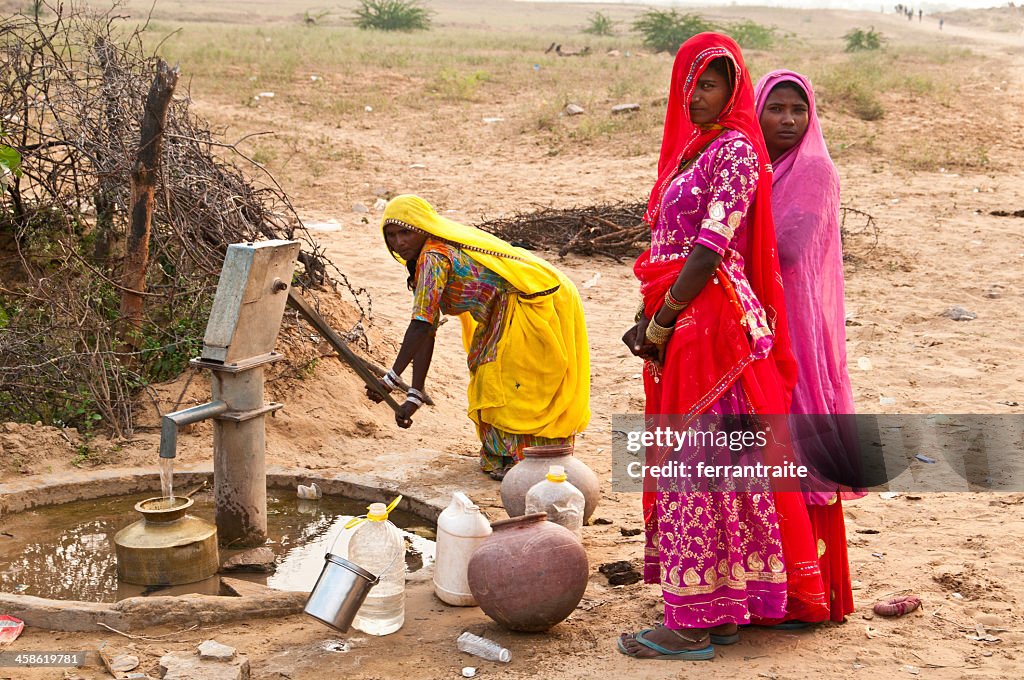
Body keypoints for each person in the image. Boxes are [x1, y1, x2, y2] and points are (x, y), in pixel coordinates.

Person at [618, 34, 827, 661]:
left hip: (713, 324)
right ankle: (724, 607)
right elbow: (666, 246)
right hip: (687, 316)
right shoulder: (694, 149)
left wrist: (664, 318)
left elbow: (710, 247)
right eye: (692, 82)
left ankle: (689, 624)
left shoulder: (734, 150)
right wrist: (647, 313)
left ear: (734, 90)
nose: (698, 94)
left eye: (711, 84)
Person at [368, 195, 590, 480]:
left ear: (423, 228)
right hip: (501, 310)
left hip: (531, 302)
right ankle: (510, 457)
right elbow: (428, 328)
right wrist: (414, 394)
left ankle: (529, 461)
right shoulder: (426, 260)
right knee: (490, 377)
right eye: (391, 236)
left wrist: (390, 380)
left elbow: (420, 327)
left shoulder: (434, 257)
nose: (399, 242)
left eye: (405, 232)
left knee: (515, 382)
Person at [755, 70, 864, 623]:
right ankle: (767, 588)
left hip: (796, 326)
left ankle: (810, 594)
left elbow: (791, 248)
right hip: (762, 322)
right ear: (756, 110)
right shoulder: (756, 168)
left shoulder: (814, 170)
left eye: (799, 109)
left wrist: (722, 237)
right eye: (776, 108)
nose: (789, 120)